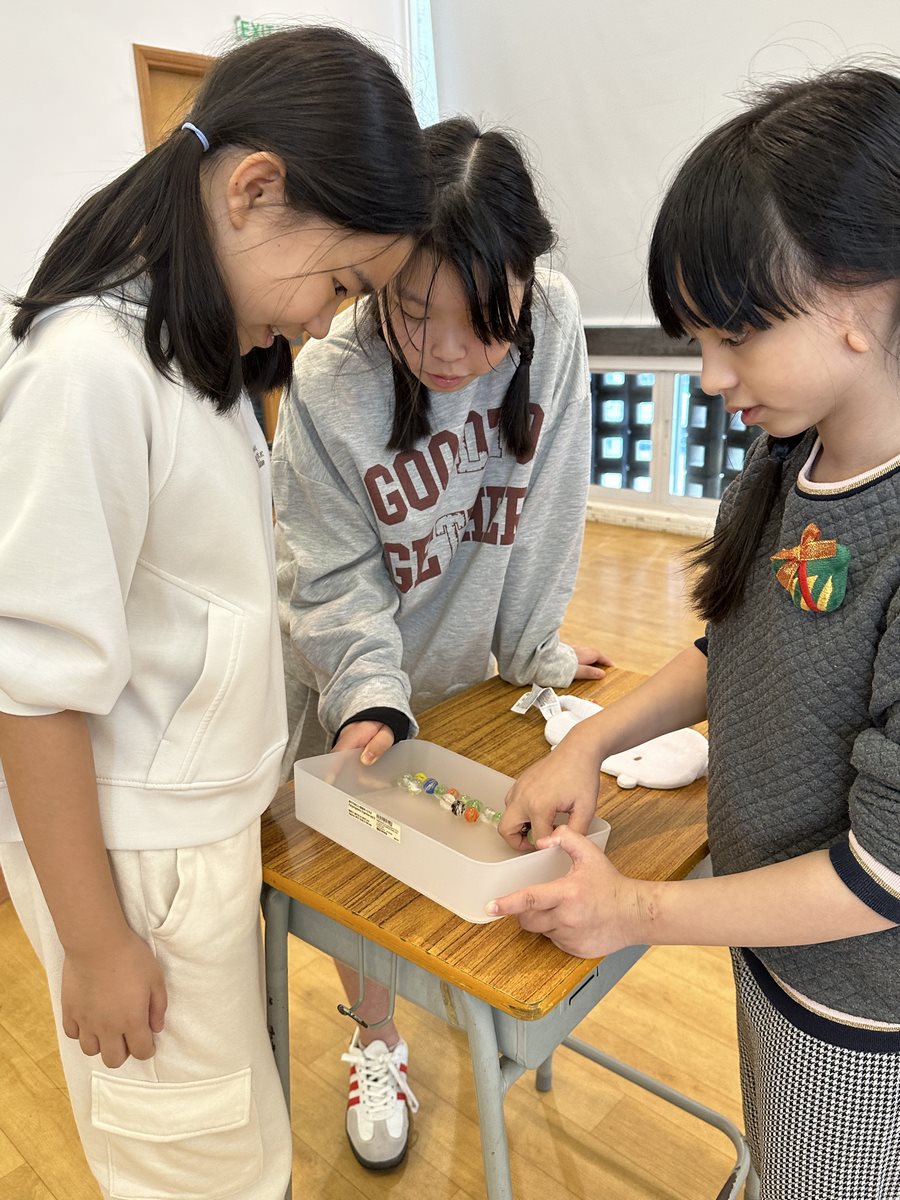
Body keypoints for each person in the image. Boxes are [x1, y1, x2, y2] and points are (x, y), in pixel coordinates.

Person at [0, 26, 429, 1200]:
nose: (325, 322)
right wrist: (98, 943)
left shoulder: (201, 361)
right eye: (340, 285)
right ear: (254, 192)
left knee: (230, 1137)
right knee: (193, 1167)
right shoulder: (87, 371)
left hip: (191, 844)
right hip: (133, 869)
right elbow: (29, 692)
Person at [492, 67, 900, 1200]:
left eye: (737, 334)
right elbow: (740, 651)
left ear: (860, 298)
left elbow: (883, 874)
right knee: (784, 1152)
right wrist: (589, 742)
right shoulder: (786, 462)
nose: (711, 376)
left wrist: (638, 910)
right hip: (769, 940)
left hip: (865, 1004)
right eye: (698, 337)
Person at [274, 116, 610, 1169]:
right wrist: (368, 695)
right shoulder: (333, 380)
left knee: (466, 873)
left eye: (483, 323)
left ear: (527, 283)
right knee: (364, 887)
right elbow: (330, 576)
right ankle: (376, 1039)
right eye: (415, 313)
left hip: (466, 674)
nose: (450, 352)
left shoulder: (554, 322)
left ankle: (461, 1018)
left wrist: (538, 652)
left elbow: (548, 504)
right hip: (347, 678)